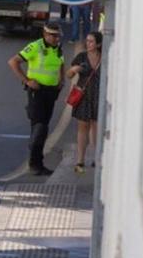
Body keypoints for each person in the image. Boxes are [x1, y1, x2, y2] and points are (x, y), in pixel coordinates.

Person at [7, 22, 66, 176]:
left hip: (51, 92)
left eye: (58, 36)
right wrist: (26, 80)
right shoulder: (35, 47)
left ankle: (38, 163)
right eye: (53, 35)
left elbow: (60, 63)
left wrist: (62, 80)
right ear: (45, 34)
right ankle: (34, 164)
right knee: (39, 128)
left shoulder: (58, 48)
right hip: (37, 91)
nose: (56, 38)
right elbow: (13, 62)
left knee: (43, 127)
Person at [66, 32, 102, 173]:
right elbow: (69, 75)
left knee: (97, 128)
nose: (88, 44)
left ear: (98, 44)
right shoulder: (81, 57)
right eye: (87, 41)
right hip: (84, 96)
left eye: (91, 41)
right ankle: (80, 160)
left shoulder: (104, 57)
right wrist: (74, 69)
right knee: (83, 128)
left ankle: (96, 158)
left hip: (99, 96)